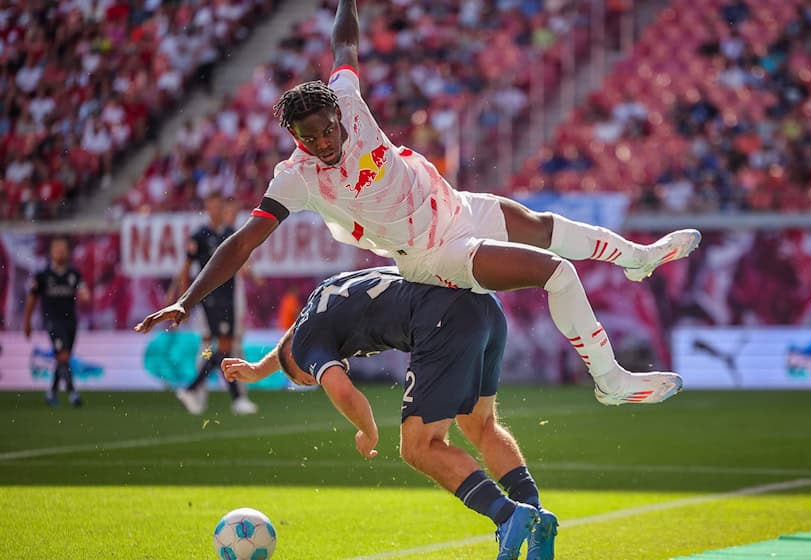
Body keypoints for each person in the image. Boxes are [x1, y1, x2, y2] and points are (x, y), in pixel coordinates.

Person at [136, 0, 698, 406]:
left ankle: (635, 259)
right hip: (431, 252)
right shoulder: (295, 180)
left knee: (541, 224)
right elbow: (242, 243)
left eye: (327, 130)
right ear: (296, 139)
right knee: (556, 272)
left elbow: (345, 41)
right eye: (309, 139)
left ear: (337, 115)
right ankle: (610, 380)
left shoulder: (348, 100)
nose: (324, 143)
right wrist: (187, 299)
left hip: (452, 204)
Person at [221, 267, 558, 559]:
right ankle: (537, 516)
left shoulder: (308, 345)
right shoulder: (317, 305)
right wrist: (256, 370)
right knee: (481, 424)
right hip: (483, 302)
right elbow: (290, 345)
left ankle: (506, 515)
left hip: (441, 318)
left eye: (310, 378)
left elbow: (339, 388)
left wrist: (367, 430)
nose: (317, 375)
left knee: (418, 446)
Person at [172, 193, 258, 415]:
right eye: (211, 207)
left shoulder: (230, 234)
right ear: (207, 209)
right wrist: (184, 301)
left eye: (219, 207)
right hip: (210, 298)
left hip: (227, 297)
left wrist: (254, 275)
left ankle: (198, 390)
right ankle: (216, 394)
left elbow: (242, 261)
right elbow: (186, 268)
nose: (215, 211)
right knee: (221, 345)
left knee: (219, 347)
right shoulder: (200, 236)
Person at [24, 237, 91, 407]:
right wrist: (27, 321)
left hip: (71, 322)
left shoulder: (73, 274)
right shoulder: (43, 276)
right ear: (51, 252)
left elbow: (83, 290)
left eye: (63, 249)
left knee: (63, 358)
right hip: (53, 321)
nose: (61, 252)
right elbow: (32, 299)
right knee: (63, 355)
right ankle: (73, 393)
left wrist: (85, 295)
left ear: (68, 252)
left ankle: (51, 393)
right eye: (57, 249)